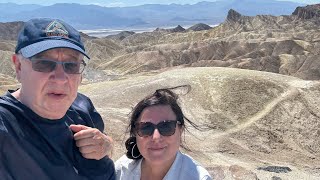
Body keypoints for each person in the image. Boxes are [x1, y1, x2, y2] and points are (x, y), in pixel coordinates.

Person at [0, 18, 115, 180]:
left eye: (71, 65)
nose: (61, 78)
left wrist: (107, 144)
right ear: (18, 66)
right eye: (44, 63)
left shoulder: (82, 106)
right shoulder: (6, 127)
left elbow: (105, 145)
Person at [115, 87, 212, 180]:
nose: (156, 137)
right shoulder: (121, 170)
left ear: (180, 130)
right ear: (135, 133)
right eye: (146, 128)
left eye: (166, 127)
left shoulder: (199, 177)